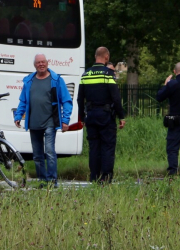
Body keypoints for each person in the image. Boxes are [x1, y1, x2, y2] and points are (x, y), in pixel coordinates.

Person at [14, 53, 73, 187]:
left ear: (47, 63)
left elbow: (67, 101)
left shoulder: (56, 80)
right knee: (37, 155)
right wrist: (18, 116)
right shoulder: (29, 81)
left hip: (50, 123)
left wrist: (65, 120)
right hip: (34, 124)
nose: (41, 64)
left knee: (50, 152)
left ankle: (52, 181)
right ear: (35, 65)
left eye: (43, 62)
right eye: (38, 62)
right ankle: (42, 181)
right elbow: (23, 101)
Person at [77, 47, 126, 183]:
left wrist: (82, 117)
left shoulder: (85, 75)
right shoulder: (108, 74)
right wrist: (121, 116)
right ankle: (105, 178)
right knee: (107, 147)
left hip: (91, 116)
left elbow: (80, 99)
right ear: (106, 57)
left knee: (94, 148)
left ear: (95, 56)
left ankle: (94, 177)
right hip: (106, 116)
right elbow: (116, 98)